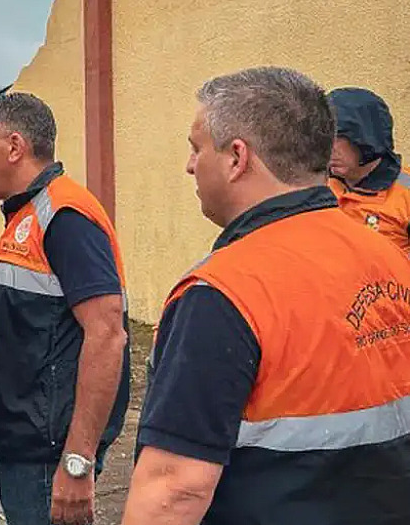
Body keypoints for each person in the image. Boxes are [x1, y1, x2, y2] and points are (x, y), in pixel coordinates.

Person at [123, 66, 410, 525]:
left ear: (237, 158)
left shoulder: (222, 294)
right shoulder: (388, 258)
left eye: (197, 148)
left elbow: (173, 491)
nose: (190, 165)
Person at [0, 91, 130, 525]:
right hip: (27, 442)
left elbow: (107, 334)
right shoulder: (29, 214)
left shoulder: (65, 216)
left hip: (50, 452)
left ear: (15, 147)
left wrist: (77, 461)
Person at [326, 86, 410, 254]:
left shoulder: (404, 193)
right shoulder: (316, 182)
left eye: (337, 137)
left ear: (366, 138)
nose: (328, 148)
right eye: (323, 137)